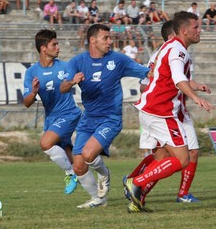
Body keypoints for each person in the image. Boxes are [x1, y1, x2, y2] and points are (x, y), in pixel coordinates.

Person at [124, 11, 215, 212]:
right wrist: (196, 98)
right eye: (196, 27)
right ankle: (136, 182)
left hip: (148, 108)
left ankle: (137, 201)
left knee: (161, 158)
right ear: (184, 31)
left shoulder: (169, 48)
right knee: (183, 159)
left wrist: (195, 87)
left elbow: (170, 76)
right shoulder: (179, 50)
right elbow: (177, 78)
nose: (200, 31)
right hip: (161, 111)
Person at [60, 23, 150, 209]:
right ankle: (98, 199)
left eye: (110, 38)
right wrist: (72, 81)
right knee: (78, 166)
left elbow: (146, 71)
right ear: (93, 40)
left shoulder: (118, 60)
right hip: (89, 119)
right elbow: (63, 88)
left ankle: (104, 173)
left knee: (88, 154)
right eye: (106, 38)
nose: (110, 41)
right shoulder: (77, 62)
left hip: (110, 118)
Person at [23, 29, 83, 195]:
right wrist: (34, 92)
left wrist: (72, 81)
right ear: (43, 48)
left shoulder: (65, 67)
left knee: (45, 143)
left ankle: (70, 174)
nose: (58, 47)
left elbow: (68, 86)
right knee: (68, 154)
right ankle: (96, 192)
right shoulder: (31, 72)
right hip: (51, 118)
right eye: (54, 44)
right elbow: (26, 103)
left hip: (69, 113)